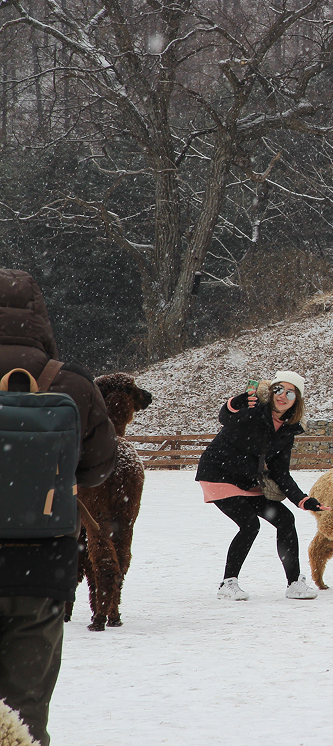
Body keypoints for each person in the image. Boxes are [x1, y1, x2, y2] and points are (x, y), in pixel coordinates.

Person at [0, 270, 117, 746]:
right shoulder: (69, 382)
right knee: (24, 713)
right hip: (39, 568)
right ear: (39, 316)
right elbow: (98, 468)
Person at [195, 371, 325, 601]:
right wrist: (235, 403)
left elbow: (280, 472)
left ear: (297, 400)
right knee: (249, 524)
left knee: (285, 519)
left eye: (290, 392)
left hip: (247, 480)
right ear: (271, 391)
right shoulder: (254, 410)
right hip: (218, 474)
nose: (282, 395)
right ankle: (228, 583)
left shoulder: (287, 431)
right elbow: (226, 417)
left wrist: (303, 499)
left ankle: (294, 583)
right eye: (278, 389)